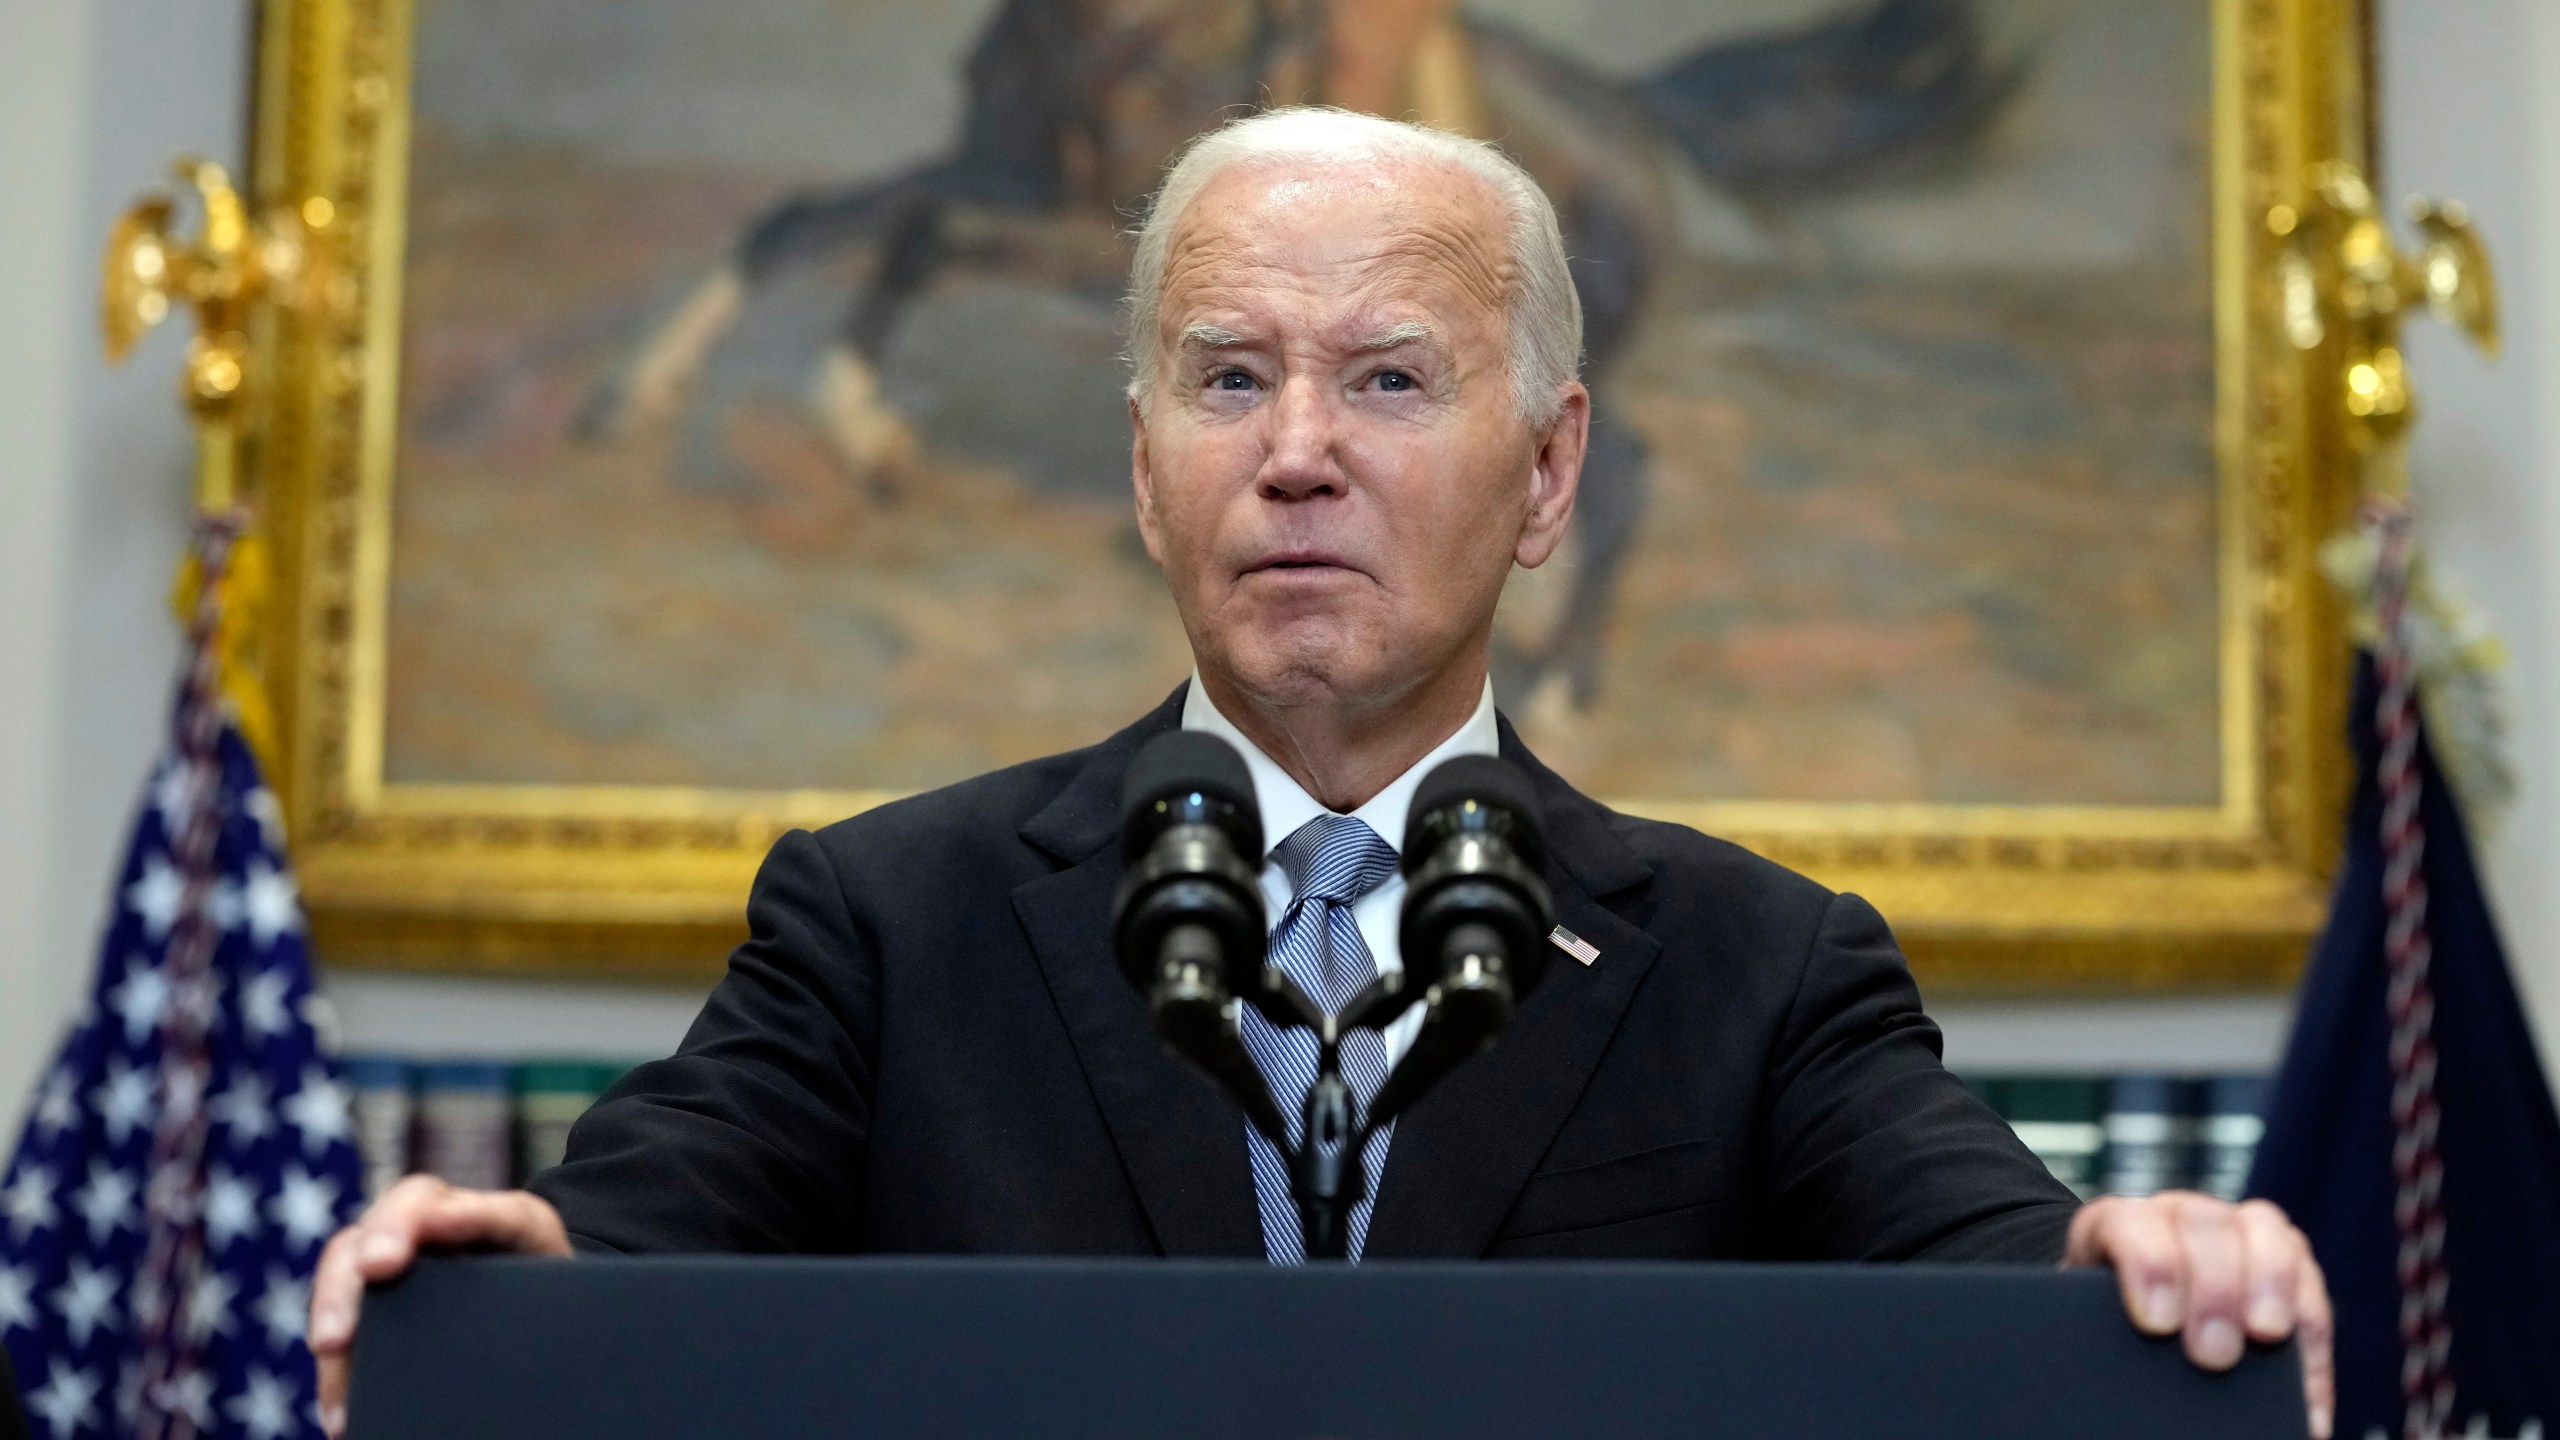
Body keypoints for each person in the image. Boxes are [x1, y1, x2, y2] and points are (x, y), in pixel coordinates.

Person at [307, 107, 2333, 1436]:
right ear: (1139, 464)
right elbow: (656, 1213)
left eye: (1386, 379)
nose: (1296, 451)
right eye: (1225, 377)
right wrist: (520, 1269)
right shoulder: (888, 919)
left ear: (1547, 474)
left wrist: (2131, 1259)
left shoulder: (1754, 966)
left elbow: (1979, 1257)